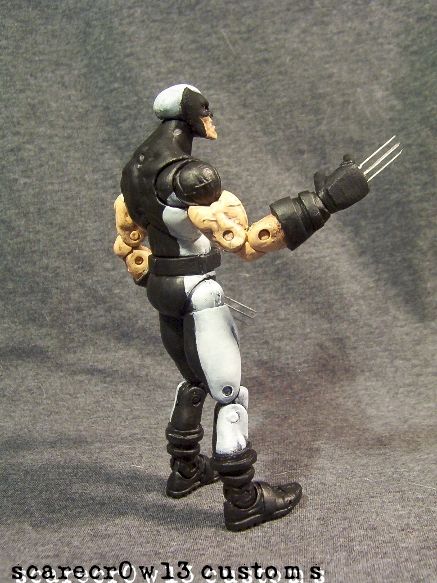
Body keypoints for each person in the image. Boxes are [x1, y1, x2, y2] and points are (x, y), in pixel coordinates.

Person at [114, 84, 400, 531]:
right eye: (205, 110)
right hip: (198, 293)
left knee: (194, 380)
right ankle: (243, 499)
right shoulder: (191, 177)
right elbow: (249, 243)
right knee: (230, 395)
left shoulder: (134, 171)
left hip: (163, 287)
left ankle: (185, 469)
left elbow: (130, 241)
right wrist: (321, 204)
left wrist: (152, 274)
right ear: (191, 117)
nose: (211, 118)